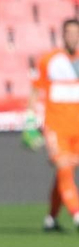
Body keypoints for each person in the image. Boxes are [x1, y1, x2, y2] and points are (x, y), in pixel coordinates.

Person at [28, 18, 79, 232]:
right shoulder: (49, 60)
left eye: (76, 33)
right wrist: (30, 120)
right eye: (69, 32)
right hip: (55, 127)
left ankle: (51, 218)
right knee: (64, 169)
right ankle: (77, 214)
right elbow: (36, 90)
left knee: (63, 174)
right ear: (62, 35)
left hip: (76, 128)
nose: (72, 37)